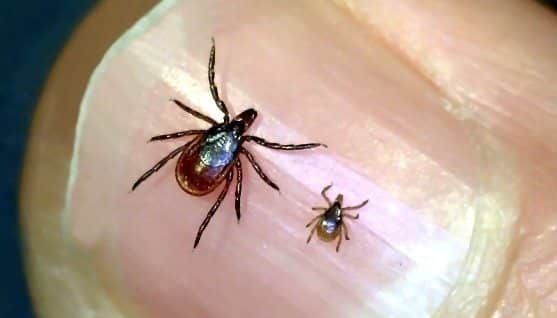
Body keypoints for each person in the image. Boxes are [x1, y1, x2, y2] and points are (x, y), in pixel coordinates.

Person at [21, 1, 557, 317]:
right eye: (234, 125)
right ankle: (183, 203)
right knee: (203, 171)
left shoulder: (217, 139)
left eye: (235, 126)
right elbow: (252, 154)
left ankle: (172, 194)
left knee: (178, 159)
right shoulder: (236, 151)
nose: (238, 126)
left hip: (202, 168)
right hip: (208, 171)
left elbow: (215, 133)